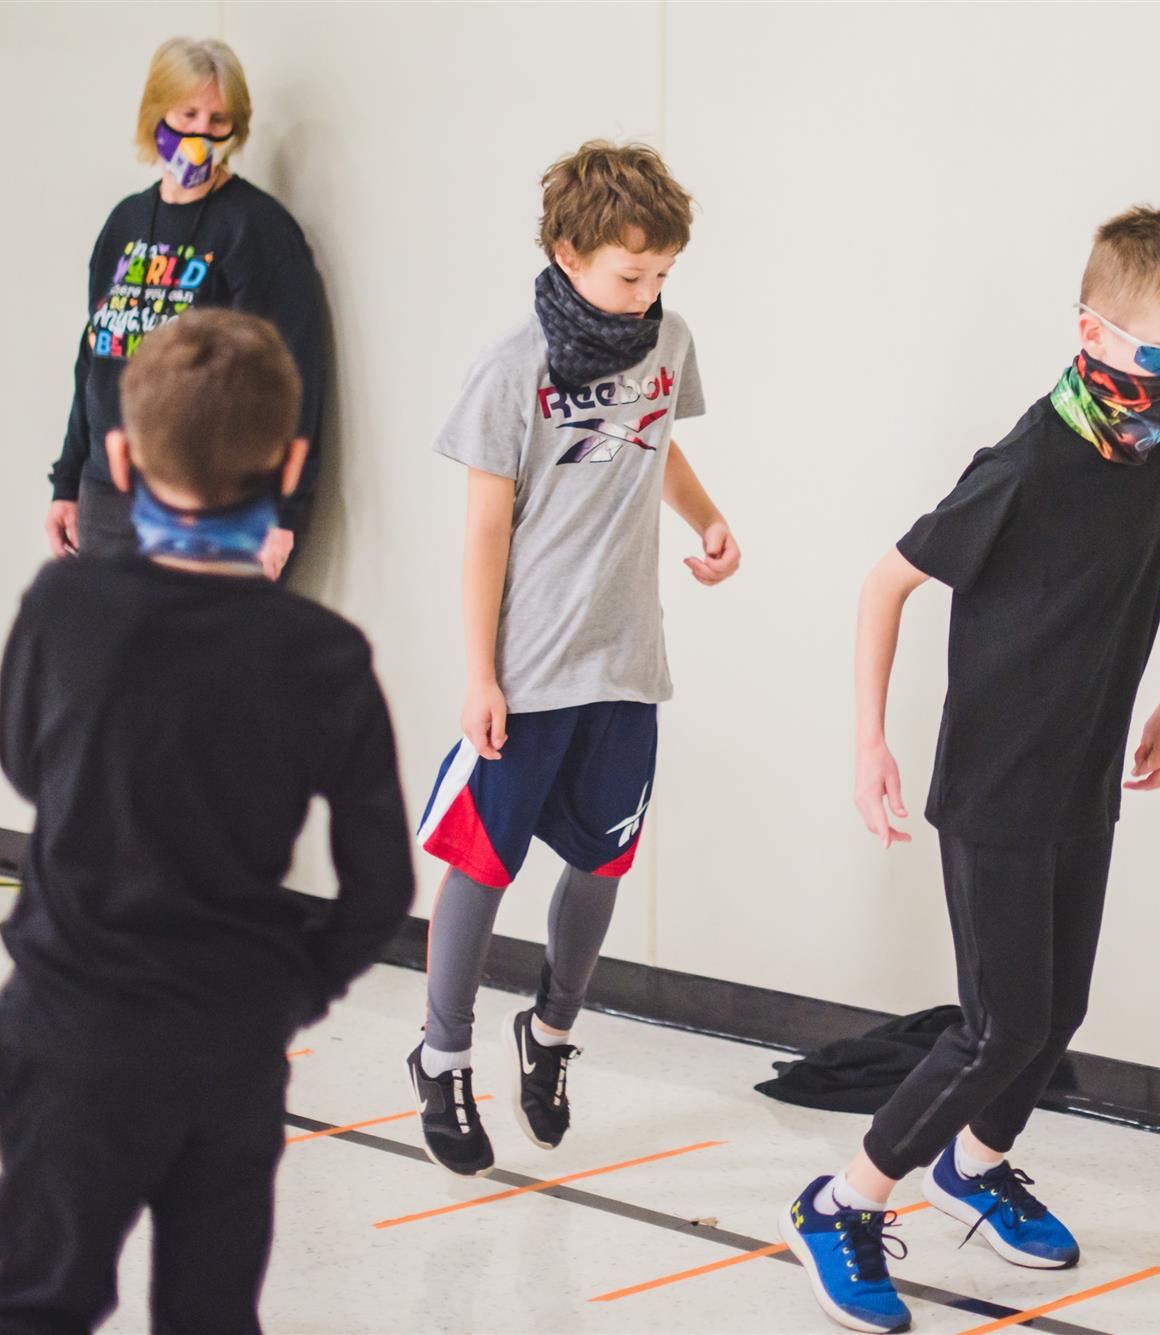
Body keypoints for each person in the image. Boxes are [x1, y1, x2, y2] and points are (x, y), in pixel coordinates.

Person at [780, 206, 1160, 1333]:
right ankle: (840, 1203)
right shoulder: (1026, 461)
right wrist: (867, 740)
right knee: (997, 1023)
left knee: (1055, 1009)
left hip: (1081, 772)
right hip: (993, 782)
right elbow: (884, 582)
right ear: (1094, 330)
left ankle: (972, 1167)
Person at [0, 309, 414, 1334]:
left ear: (119, 459)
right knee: (211, 1313)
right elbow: (378, 886)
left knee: (39, 1301)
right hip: (228, 1036)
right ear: (290, 459)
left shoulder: (61, 607)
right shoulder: (323, 651)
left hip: (70, 1021)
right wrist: (293, 991)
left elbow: (32, 769)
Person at [407, 141, 741, 1175]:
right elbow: (483, 531)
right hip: (531, 669)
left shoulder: (667, 342)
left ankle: (548, 1037)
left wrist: (706, 518)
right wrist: (479, 672)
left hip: (626, 663)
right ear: (566, 251)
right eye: (627, 276)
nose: (646, 297)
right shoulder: (512, 368)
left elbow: (657, 443)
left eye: (661, 278)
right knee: (481, 864)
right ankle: (442, 1052)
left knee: (600, 860)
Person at [45, 36, 325, 579]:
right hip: (107, 495)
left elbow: (295, 378)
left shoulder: (257, 229)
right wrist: (66, 482)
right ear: (157, 115)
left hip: (211, 505)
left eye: (218, 119)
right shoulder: (124, 223)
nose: (200, 132)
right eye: (187, 113)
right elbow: (95, 361)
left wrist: (284, 510)